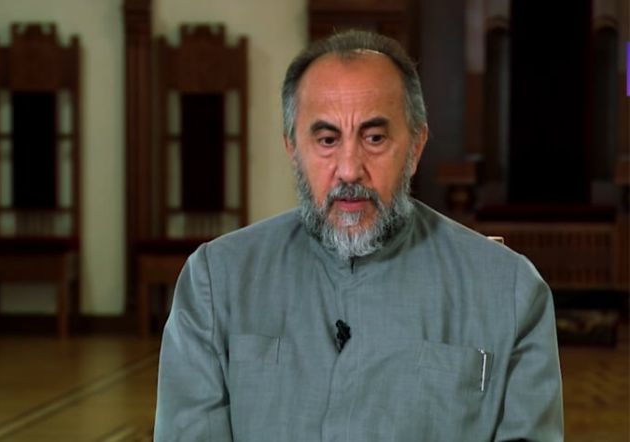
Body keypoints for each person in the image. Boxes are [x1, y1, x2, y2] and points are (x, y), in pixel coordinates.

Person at [154, 29, 563, 441]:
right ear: (293, 149)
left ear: (416, 146)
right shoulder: (217, 280)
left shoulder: (508, 291)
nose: (349, 170)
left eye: (374, 138)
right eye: (327, 140)